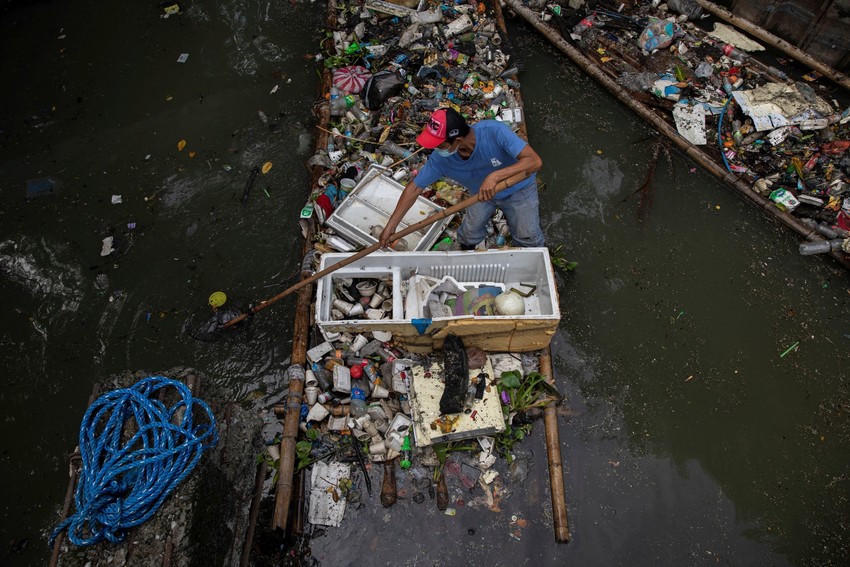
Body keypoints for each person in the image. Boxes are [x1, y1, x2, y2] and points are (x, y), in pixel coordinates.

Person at [379, 107, 545, 250]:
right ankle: (468, 253)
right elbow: (414, 188)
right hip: (482, 194)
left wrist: (495, 176)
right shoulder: (440, 159)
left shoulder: (495, 132)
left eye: (439, 144)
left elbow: (534, 161)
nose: (436, 149)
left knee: (527, 236)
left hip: (519, 188)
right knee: (468, 233)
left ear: (457, 140)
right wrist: (391, 226)